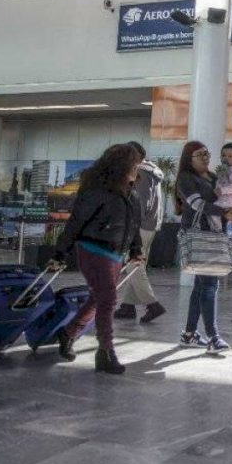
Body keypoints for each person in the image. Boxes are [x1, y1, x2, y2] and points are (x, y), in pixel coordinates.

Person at [50, 144, 144, 374]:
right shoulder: (96, 190)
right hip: (94, 249)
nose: (138, 168)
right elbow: (76, 222)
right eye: (135, 163)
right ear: (122, 165)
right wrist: (59, 252)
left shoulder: (130, 192)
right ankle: (105, 352)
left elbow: (133, 225)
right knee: (109, 299)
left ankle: (68, 333)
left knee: (98, 298)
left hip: (116, 253)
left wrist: (136, 249)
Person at [177, 140, 232, 354]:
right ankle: (213, 337)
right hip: (199, 235)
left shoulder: (213, 177)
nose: (205, 157)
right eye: (200, 154)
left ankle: (189, 334)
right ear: (189, 158)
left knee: (201, 287)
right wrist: (223, 212)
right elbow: (198, 205)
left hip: (215, 234)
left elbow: (227, 197)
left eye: (207, 153)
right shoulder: (185, 178)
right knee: (210, 285)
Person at [112, 141, 167, 323]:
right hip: (150, 225)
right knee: (136, 266)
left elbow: (140, 203)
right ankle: (128, 306)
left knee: (133, 265)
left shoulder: (141, 173)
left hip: (140, 226)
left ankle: (152, 304)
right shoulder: (150, 171)